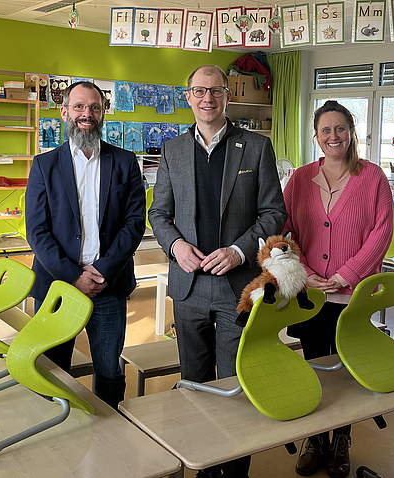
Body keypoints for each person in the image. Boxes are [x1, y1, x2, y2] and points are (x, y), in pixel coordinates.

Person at [148, 65, 287, 478]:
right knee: (193, 382)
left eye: (215, 91)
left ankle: (234, 470)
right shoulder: (172, 149)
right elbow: (159, 213)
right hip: (188, 287)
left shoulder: (257, 147)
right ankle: (205, 465)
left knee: (233, 384)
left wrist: (239, 252)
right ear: (187, 97)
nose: (207, 98)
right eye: (198, 91)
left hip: (237, 288)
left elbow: (273, 213)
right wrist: (174, 245)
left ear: (227, 96)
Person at [282, 100, 393, 477]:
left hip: (352, 294)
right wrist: (304, 271)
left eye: (340, 129)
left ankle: (342, 439)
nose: (333, 136)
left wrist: (346, 274)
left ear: (351, 133)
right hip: (312, 293)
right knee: (313, 364)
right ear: (316, 136)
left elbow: (382, 234)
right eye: (326, 130)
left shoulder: (373, 177)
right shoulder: (298, 179)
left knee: (346, 370)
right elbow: (284, 231)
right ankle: (314, 439)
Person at [25, 81, 146, 410]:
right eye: (79, 107)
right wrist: (72, 275)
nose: (86, 114)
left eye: (94, 107)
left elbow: (135, 222)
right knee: (52, 368)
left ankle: (108, 428)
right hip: (57, 287)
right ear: (64, 112)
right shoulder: (44, 165)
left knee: (108, 369)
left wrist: (101, 271)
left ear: (103, 113)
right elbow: (36, 231)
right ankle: (56, 430)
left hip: (109, 284)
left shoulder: (124, 162)